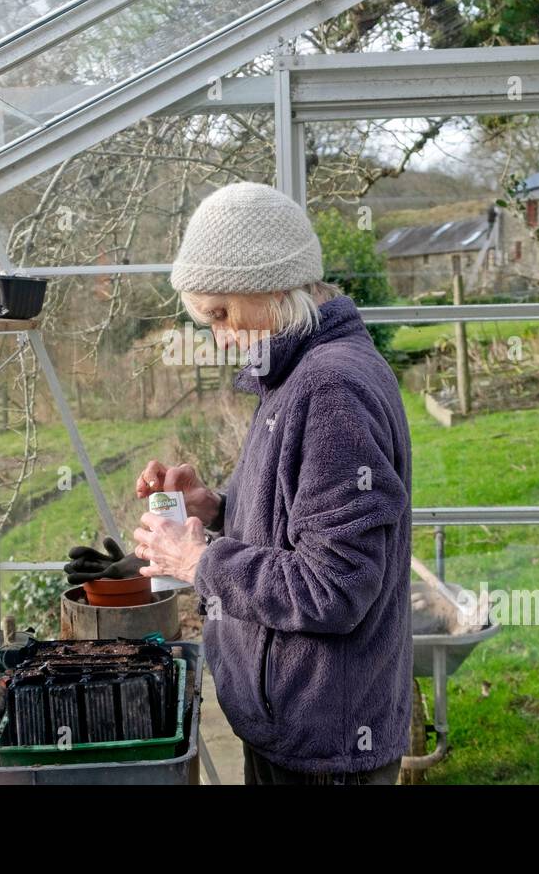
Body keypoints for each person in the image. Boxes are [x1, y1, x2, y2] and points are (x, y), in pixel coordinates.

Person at [132, 181, 413, 785]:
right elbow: (300, 525)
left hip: (326, 748)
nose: (219, 337)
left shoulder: (329, 387)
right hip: (295, 728)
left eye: (221, 314)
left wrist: (197, 560)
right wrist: (216, 510)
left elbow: (333, 587)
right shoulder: (295, 375)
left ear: (271, 288)